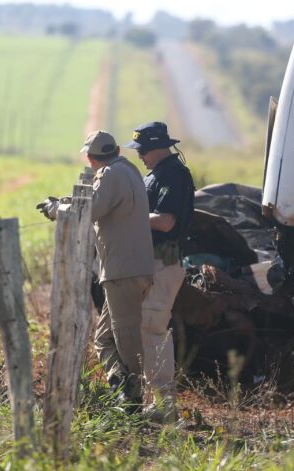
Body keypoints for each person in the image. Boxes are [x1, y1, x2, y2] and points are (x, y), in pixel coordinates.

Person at [125, 121, 195, 423]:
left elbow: (166, 222)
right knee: (143, 330)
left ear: (156, 148)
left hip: (163, 262)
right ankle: (146, 401)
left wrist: (129, 213)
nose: (140, 156)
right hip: (150, 262)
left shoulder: (175, 175)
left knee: (152, 329)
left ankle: (165, 406)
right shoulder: (156, 174)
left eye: (143, 151)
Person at [82, 130, 155, 406]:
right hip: (133, 268)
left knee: (125, 337)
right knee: (103, 338)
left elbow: (90, 210)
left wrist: (58, 210)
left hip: (121, 271)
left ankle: (132, 396)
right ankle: (119, 385)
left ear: (90, 158)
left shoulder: (109, 175)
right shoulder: (130, 170)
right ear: (116, 152)